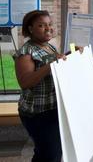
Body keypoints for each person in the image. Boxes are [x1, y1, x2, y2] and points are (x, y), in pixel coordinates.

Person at [13, 10, 67, 162]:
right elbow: (25, 82)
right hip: (36, 113)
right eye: (41, 25)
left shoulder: (49, 47)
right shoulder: (26, 52)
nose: (48, 28)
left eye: (50, 24)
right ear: (30, 29)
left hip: (52, 108)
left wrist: (71, 54)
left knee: (49, 151)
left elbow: (55, 64)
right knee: (50, 154)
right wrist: (50, 65)